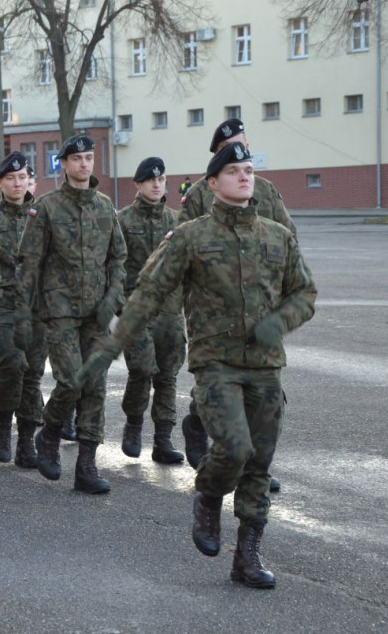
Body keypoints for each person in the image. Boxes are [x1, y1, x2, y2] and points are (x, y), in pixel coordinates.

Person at [81, 141, 316, 589]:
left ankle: (247, 554)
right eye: (233, 171)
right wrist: (113, 344)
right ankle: (208, 495)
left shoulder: (276, 235)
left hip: (266, 366)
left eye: (248, 170)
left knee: (260, 464)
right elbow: (148, 292)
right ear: (213, 183)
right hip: (216, 365)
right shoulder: (192, 236)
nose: (244, 177)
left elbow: (304, 293)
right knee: (233, 449)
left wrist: (278, 323)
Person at [180, 118, 295, 493]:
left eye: (244, 144)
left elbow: (288, 239)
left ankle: (254, 466)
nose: (240, 152)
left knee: (266, 396)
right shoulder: (198, 195)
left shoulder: (266, 190)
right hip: (214, 314)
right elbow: (183, 251)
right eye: (231, 147)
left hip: (258, 310)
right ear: (217, 156)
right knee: (219, 393)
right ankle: (210, 433)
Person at [17, 134, 126, 494]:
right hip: (59, 309)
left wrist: (113, 298)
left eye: (89, 157)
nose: (84, 163)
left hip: (96, 311)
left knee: (94, 386)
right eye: (76, 158)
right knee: (70, 381)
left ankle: (86, 465)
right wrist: (25, 312)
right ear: (63, 164)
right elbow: (29, 261)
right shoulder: (46, 207)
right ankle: (48, 434)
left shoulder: (105, 206)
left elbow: (118, 258)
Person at [116, 157, 185, 464]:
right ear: (138, 185)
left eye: (161, 180)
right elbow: (115, 266)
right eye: (150, 180)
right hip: (138, 310)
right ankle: (133, 426)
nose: (157, 185)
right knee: (142, 369)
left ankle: (163, 440)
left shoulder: (177, 222)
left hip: (170, 311)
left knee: (168, 375)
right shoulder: (123, 220)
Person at [0, 152, 44, 467]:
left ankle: (26, 444)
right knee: (13, 363)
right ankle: (3, 428)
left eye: (22, 178)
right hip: (1, 307)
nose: (17, 183)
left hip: (35, 309)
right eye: (11, 178)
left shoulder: (43, 216)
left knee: (33, 374)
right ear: (1, 183)